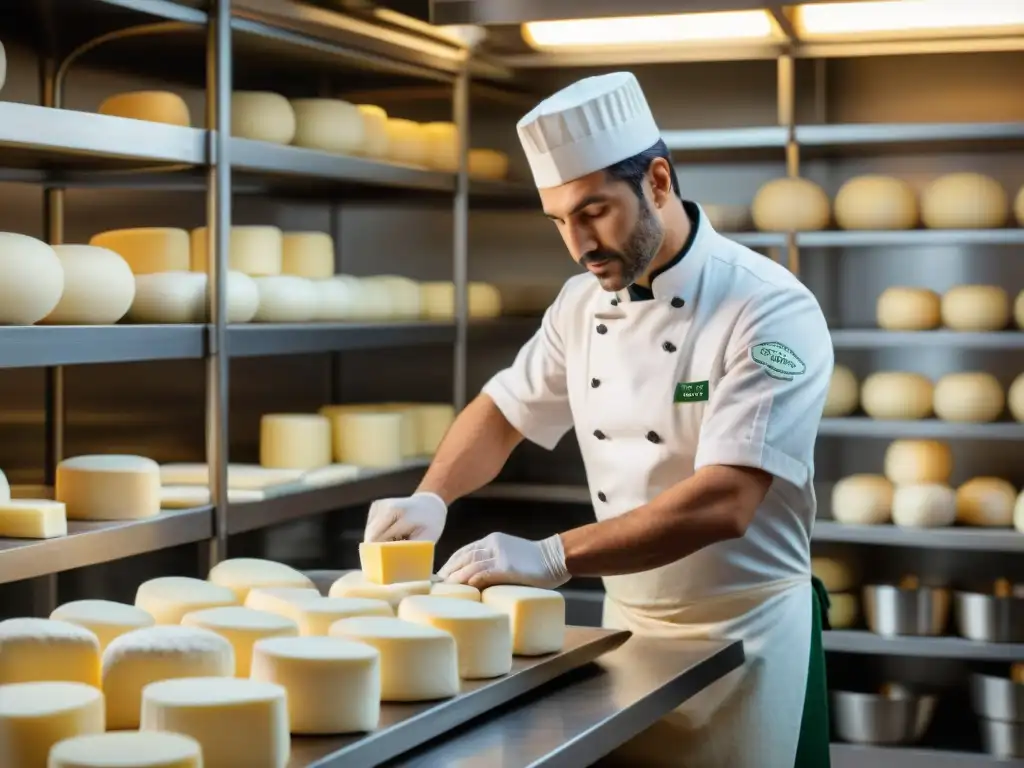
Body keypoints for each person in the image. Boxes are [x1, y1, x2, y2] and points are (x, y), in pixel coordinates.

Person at [363, 71, 833, 768]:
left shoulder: (767, 309)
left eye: (594, 211)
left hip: (748, 633)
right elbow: (502, 411)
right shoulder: (579, 304)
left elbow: (727, 501)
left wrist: (552, 556)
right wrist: (433, 495)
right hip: (628, 629)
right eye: (559, 221)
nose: (579, 243)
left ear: (659, 181)